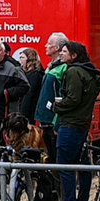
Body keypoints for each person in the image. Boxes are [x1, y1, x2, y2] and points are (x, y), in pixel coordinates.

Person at [48, 41, 100, 201]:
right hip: (82, 123)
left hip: (71, 123)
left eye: (65, 52)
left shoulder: (73, 71)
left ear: (74, 56)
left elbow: (72, 99)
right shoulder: (90, 72)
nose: (61, 54)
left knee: (65, 165)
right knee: (83, 164)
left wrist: (56, 105)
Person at [33, 32, 69, 162]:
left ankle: (59, 181)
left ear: (57, 48)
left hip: (52, 120)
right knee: (50, 154)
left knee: (56, 156)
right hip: (45, 119)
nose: (46, 46)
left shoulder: (62, 69)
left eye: (49, 43)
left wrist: (56, 120)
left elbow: (61, 95)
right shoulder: (51, 66)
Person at [0, 40, 30, 139]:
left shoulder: (13, 67)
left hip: (5, 115)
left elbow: (25, 86)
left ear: (4, 52)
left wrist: (6, 93)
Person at [18, 48, 45, 123]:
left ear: (29, 59)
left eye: (22, 57)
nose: (20, 60)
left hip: (30, 113)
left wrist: (22, 114)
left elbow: (28, 94)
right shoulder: (29, 74)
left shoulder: (34, 75)